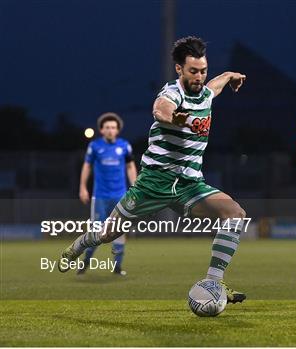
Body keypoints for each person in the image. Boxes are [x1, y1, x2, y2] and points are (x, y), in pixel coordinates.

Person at [58, 36, 248, 304]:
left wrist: (230, 75)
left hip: (190, 185)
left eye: (203, 71)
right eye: (193, 71)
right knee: (109, 233)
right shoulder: (172, 93)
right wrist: (184, 119)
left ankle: (213, 283)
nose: (199, 77)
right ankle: (78, 246)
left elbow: (217, 85)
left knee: (235, 214)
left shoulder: (205, 93)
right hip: (153, 184)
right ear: (179, 69)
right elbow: (161, 110)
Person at [78, 112, 137, 276]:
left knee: (119, 230)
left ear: (117, 130)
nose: (110, 130)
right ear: (101, 130)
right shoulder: (95, 146)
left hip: (120, 196)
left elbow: (130, 167)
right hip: (100, 197)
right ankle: (85, 263)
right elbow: (87, 166)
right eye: (107, 127)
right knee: (97, 232)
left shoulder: (124, 146)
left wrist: (135, 188)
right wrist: (83, 187)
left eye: (113, 127)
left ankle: (117, 267)